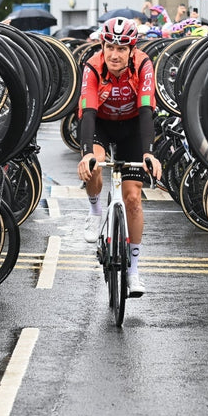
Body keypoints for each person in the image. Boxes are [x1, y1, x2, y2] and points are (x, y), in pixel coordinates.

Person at [76, 17, 162, 297]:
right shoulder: (92, 66)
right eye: (110, 47)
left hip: (133, 126)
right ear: (102, 46)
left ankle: (133, 272)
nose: (114, 54)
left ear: (132, 50)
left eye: (122, 48)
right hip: (100, 124)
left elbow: (147, 109)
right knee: (94, 165)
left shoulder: (143, 65)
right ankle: (94, 211)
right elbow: (88, 111)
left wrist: (149, 153)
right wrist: (86, 154)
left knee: (133, 199)